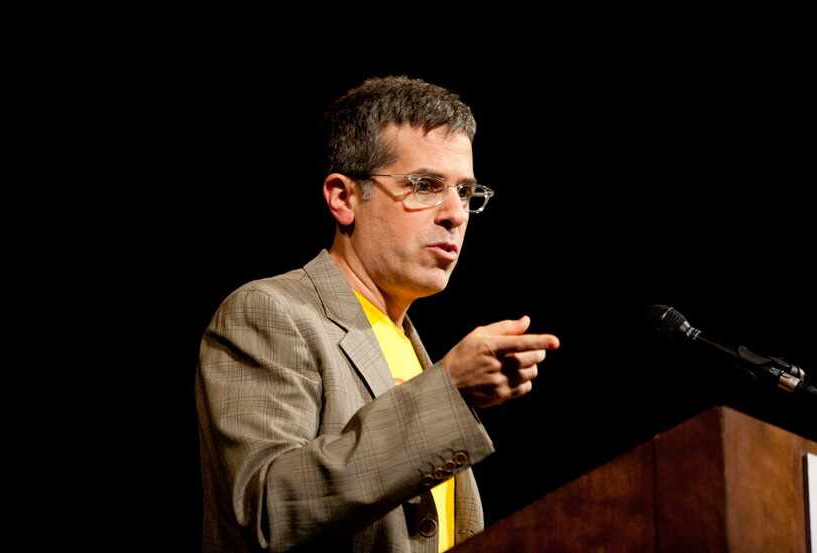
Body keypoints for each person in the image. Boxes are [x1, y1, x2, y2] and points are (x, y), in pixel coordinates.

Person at [195, 75, 560, 553]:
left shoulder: (409, 344)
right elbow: (268, 511)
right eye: (426, 186)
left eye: (466, 192)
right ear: (343, 197)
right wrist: (448, 393)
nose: (455, 213)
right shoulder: (270, 313)